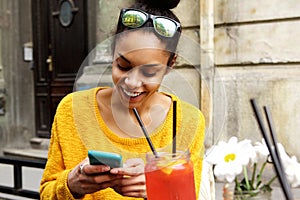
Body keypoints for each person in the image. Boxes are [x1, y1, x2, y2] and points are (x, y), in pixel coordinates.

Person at [40, 0, 206, 199]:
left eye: (149, 72)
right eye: (123, 66)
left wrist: (157, 189)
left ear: (170, 64)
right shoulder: (72, 109)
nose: (132, 83)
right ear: (112, 53)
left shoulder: (188, 121)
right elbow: (46, 193)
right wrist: (72, 184)